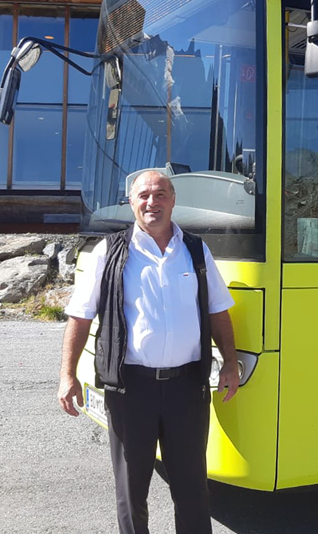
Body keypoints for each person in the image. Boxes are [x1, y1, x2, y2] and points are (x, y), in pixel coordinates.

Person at [57, 169, 240, 534]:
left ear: (173, 200)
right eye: (143, 196)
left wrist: (230, 364)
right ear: (131, 203)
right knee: (131, 490)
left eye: (160, 195)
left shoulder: (195, 250)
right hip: (130, 390)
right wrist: (67, 375)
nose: (151, 202)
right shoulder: (108, 252)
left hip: (187, 388)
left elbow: (218, 311)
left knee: (191, 487)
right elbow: (79, 318)